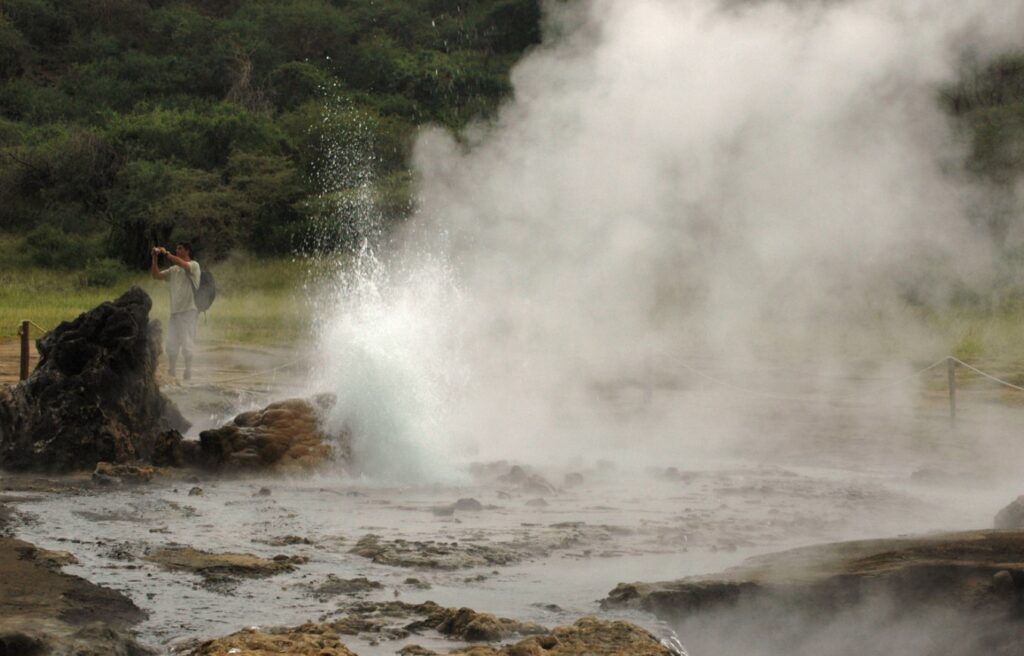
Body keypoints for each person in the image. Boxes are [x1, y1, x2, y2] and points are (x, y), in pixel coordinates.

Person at [150, 241, 201, 381]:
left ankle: (188, 370)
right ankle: (172, 370)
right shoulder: (173, 270)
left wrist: (166, 253)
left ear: (187, 251)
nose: (177, 251)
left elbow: (184, 265)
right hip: (175, 312)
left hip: (189, 311)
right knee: (171, 343)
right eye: (176, 249)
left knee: (186, 342)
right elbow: (156, 276)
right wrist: (154, 259)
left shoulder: (194, 265)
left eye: (180, 249)